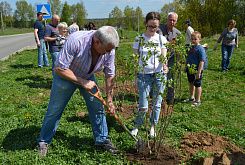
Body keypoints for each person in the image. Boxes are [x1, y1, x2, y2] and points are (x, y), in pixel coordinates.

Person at [37, 26, 120, 157]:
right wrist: (82, 82)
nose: (108, 53)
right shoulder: (76, 40)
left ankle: (102, 139)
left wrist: (109, 99)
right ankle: (43, 141)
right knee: (55, 109)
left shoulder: (109, 49)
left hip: (87, 76)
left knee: (97, 107)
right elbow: (59, 68)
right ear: (97, 41)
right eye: (106, 50)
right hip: (65, 75)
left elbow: (109, 74)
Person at [130, 12, 168, 138]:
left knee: (157, 103)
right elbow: (135, 57)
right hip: (143, 75)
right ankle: (137, 125)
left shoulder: (161, 40)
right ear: (146, 24)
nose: (152, 29)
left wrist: (165, 65)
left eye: (155, 26)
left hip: (159, 75)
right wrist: (135, 68)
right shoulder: (139, 39)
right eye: (150, 26)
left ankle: (153, 126)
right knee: (143, 105)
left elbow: (164, 56)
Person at [158, 12, 181, 105]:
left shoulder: (178, 33)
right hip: (159, 57)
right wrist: (170, 43)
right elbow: (160, 42)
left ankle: (170, 99)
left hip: (171, 57)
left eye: (174, 20)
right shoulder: (159, 30)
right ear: (167, 20)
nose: (172, 22)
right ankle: (155, 96)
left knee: (170, 77)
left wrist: (179, 60)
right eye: (170, 20)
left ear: (176, 22)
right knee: (158, 76)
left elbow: (179, 48)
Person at [185, 31, 207, 107]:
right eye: (192, 39)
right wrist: (186, 66)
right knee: (191, 82)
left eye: (195, 39)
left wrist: (199, 72)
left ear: (199, 39)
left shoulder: (200, 49)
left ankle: (198, 100)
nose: (193, 41)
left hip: (197, 69)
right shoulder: (191, 47)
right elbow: (188, 58)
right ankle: (191, 97)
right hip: (190, 69)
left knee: (197, 84)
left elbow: (202, 61)